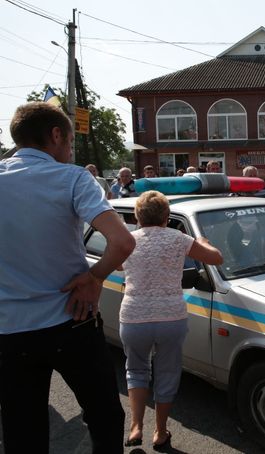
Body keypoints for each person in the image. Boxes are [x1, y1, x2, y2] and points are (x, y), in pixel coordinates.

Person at [0, 102, 136, 454]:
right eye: (71, 141)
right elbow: (122, 241)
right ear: (56, 135)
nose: (71, 149)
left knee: (22, 429)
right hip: (72, 320)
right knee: (104, 418)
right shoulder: (74, 178)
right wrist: (95, 277)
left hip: (10, 330)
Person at [120, 190, 222, 448]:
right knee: (167, 373)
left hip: (134, 316)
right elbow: (215, 258)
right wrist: (204, 240)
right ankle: (161, 431)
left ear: (137, 216)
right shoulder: (179, 238)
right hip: (170, 317)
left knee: (136, 371)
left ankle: (135, 427)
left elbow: (116, 265)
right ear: (166, 216)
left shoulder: (128, 240)